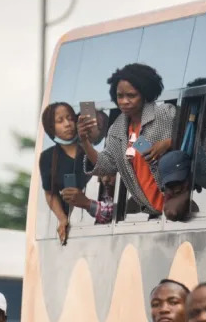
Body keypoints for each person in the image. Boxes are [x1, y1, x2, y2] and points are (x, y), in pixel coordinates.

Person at [79, 63, 176, 216]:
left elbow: (195, 143)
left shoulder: (165, 113)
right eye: (120, 96)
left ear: (145, 94)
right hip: (153, 214)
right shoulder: (117, 129)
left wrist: (168, 144)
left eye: (131, 95)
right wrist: (84, 141)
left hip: (175, 207)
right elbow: (106, 165)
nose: (124, 101)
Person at [39, 102, 91, 244]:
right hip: (75, 224)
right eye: (59, 121)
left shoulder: (89, 150)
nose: (67, 124)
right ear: (51, 128)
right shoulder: (47, 157)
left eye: (70, 118)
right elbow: (50, 193)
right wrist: (62, 219)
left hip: (94, 215)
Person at [159, 151, 197, 221]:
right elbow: (172, 213)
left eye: (178, 182)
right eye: (170, 185)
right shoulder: (168, 197)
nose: (176, 190)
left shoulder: (202, 191)